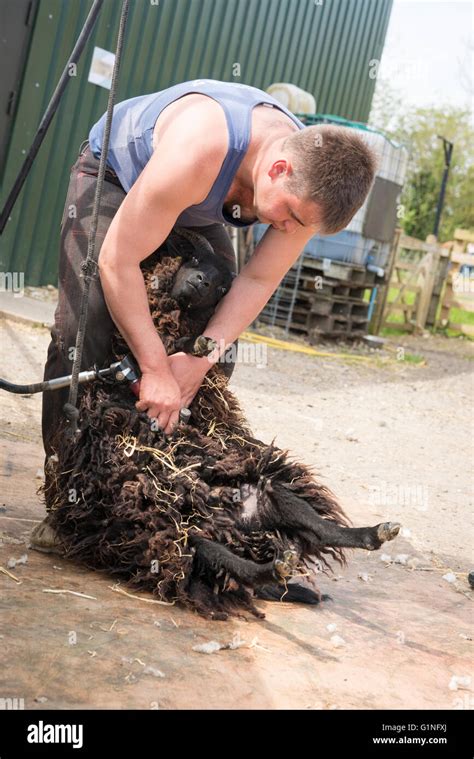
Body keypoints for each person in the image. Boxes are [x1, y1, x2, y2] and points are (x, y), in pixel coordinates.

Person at [42, 78, 377, 452]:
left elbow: (258, 280)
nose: (288, 229)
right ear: (278, 168)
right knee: (85, 324)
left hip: (193, 203)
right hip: (118, 173)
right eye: (291, 217)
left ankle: (157, 464)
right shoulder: (201, 146)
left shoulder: (307, 193)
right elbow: (117, 261)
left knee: (218, 339)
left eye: (302, 227)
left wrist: (198, 362)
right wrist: (155, 370)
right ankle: (68, 472)